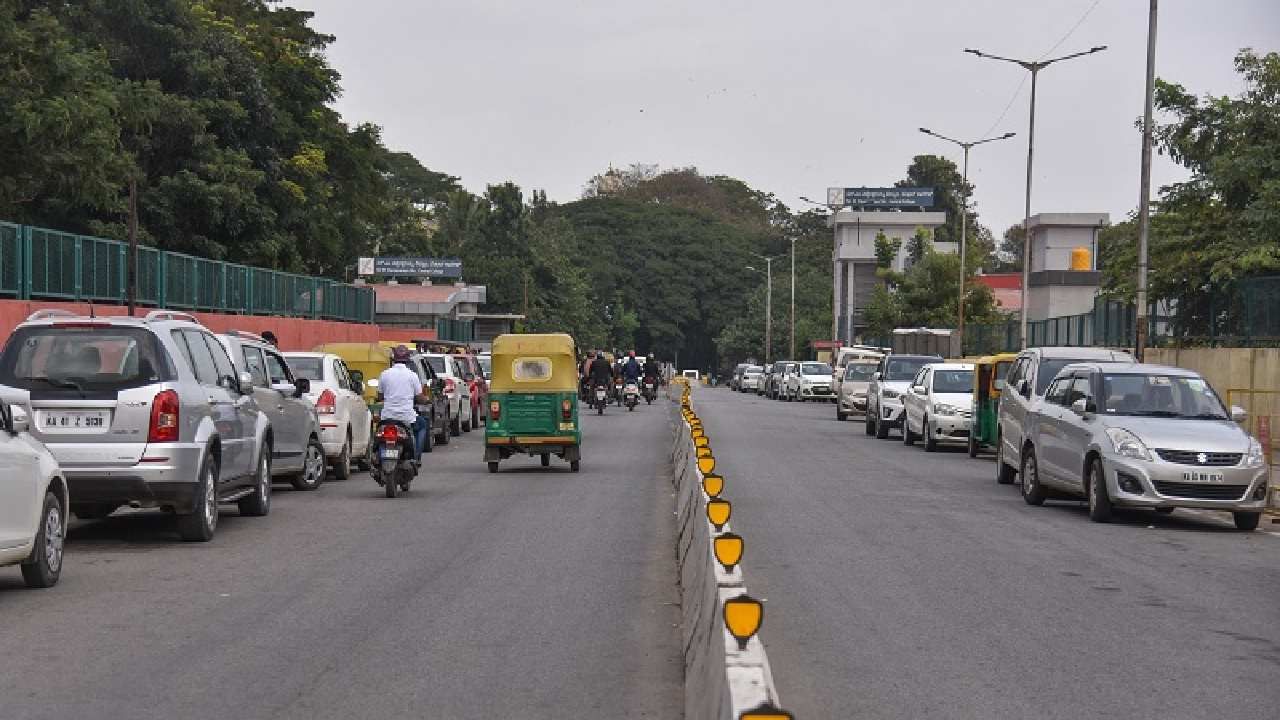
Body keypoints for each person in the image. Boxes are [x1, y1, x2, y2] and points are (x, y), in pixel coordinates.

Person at [377, 346, 427, 464]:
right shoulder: (412, 376)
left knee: (377, 435)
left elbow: (379, 396)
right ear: (408, 360)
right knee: (423, 425)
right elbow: (419, 397)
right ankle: (416, 457)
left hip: (387, 416)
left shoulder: (384, 374)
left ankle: (375, 456)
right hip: (406, 417)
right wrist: (425, 400)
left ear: (393, 359)